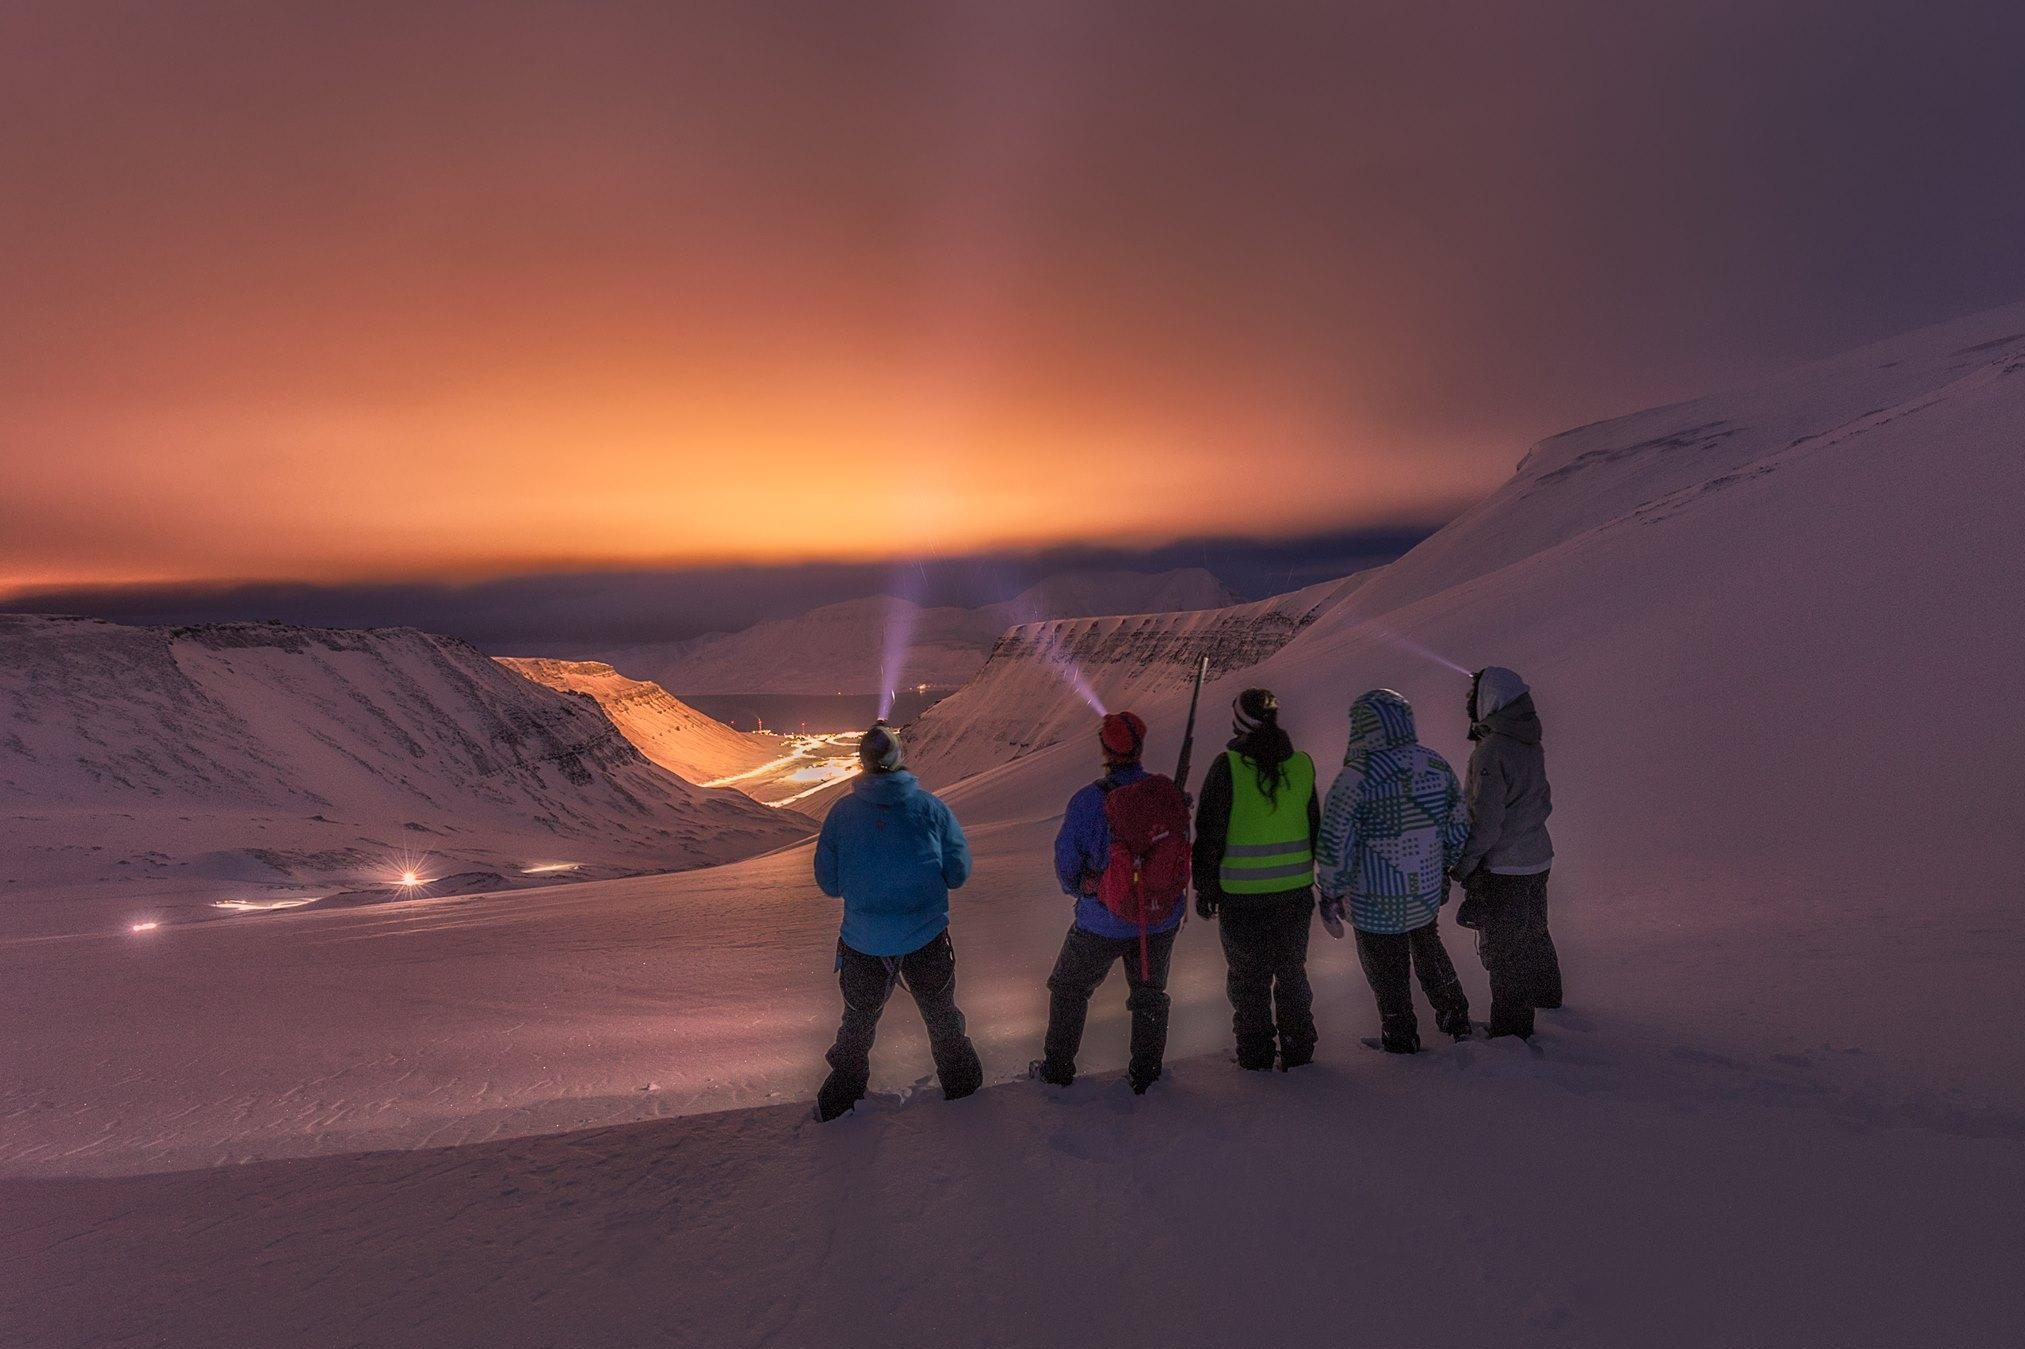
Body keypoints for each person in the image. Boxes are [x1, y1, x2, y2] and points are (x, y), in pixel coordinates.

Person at [811, 721, 983, 1121]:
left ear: (863, 761)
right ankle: (965, 1091)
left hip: (863, 942)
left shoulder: (842, 813)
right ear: (899, 757)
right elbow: (957, 873)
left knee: (857, 1024)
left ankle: (840, 1100)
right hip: (926, 937)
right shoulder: (931, 808)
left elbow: (829, 882)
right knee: (941, 1016)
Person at [1032, 711, 1188, 1095]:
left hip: (1100, 920)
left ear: (1105, 749)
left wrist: (1087, 890)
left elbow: (1067, 864)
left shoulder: (1088, 802)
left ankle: (1057, 1071)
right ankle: (1146, 1076)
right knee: (1149, 994)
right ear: (1140, 747)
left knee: (1069, 989)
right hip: (1157, 918)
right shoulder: (1163, 793)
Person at [1315, 689, 1473, 1053]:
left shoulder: (1355, 777)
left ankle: (1400, 1034)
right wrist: (1443, 865)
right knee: (1428, 946)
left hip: (1373, 899)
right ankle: (1455, 1016)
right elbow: (1458, 823)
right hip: (1424, 890)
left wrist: (1331, 892)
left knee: (1386, 967)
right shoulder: (1434, 764)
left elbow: (1336, 842)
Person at [1192, 687, 1321, 1071]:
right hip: (1295, 894)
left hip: (1241, 897)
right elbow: (1315, 827)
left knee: (1248, 980)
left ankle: (1255, 1052)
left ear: (1239, 721)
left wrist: (1205, 888)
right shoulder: (1301, 765)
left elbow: (1210, 834)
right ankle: (1299, 1047)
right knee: (1292, 971)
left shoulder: (1228, 766)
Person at [1451, 666, 1563, 1040]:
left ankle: (1512, 1031)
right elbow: (1541, 798)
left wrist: (1464, 863)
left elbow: (1486, 819)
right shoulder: (1530, 742)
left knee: (1506, 950)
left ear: (1489, 700)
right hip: (1537, 855)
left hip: (1506, 866)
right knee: (1534, 932)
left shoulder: (1492, 751)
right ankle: (1548, 996)